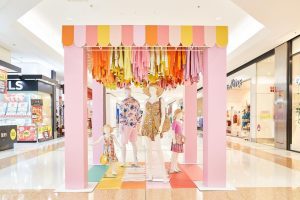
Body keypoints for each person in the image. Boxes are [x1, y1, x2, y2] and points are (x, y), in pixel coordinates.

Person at [140, 83, 169, 182]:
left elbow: (164, 114)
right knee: (148, 151)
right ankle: (150, 174)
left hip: (156, 127)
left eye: (154, 88)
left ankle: (164, 175)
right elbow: (144, 114)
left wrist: (160, 126)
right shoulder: (146, 101)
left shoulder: (161, 100)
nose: (152, 90)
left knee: (158, 150)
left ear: (157, 89)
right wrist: (140, 127)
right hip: (147, 127)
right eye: (150, 88)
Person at [119, 86, 142, 167]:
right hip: (134, 124)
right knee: (133, 143)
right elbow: (139, 115)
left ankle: (124, 161)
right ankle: (135, 161)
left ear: (126, 92)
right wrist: (138, 125)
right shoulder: (136, 102)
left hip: (126, 124)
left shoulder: (123, 102)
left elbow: (121, 115)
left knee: (123, 143)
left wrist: (120, 126)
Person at [170, 109, 185, 173]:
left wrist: (183, 138)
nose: (182, 115)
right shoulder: (175, 122)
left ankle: (175, 167)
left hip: (179, 139)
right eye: (181, 114)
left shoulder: (180, 122)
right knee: (174, 154)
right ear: (177, 114)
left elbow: (181, 131)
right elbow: (172, 131)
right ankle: (172, 168)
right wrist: (173, 139)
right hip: (176, 138)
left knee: (177, 154)